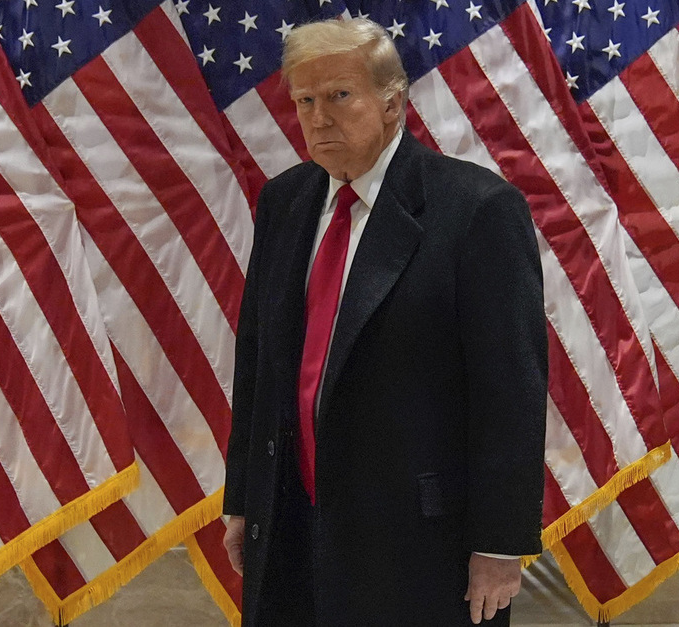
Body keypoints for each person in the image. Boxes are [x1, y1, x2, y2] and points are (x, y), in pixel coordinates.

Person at [222, 17, 548, 626]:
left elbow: (511, 393)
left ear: (392, 103)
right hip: (291, 521)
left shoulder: (477, 210)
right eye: (305, 100)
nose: (319, 118)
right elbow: (259, 362)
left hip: (422, 545)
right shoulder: (284, 201)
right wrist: (244, 498)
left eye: (339, 96)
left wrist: (500, 545)